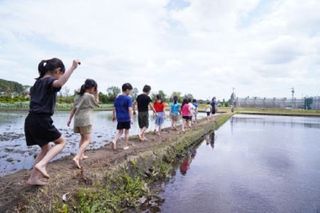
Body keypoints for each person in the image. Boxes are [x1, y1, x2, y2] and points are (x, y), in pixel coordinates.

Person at [24, 58, 80, 185]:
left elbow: (33, 96)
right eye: (61, 73)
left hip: (31, 119)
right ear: (58, 70)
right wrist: (73, 68)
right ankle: (42, 165)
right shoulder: (49, 80)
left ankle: (33, 178)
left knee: (45, 148)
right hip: (41, 118)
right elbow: (59, 83)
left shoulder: (37, 84)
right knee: (61, 142)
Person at [67, 79, 99, 169]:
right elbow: (97, 104)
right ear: (92, 87)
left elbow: (73, 108)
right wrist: (97, 95)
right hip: (85, 119)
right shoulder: (88, 96)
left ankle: (82, 155)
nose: (95, 90)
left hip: (77, 119)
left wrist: (69, 119)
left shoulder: (78, 96)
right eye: (95, 88)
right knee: (88, 140)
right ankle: (77, 157)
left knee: (82, 137)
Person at [112, 83, 133, 150]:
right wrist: (131, 118)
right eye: (130, 90)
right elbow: (130, 109)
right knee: (126, 132)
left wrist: (114, 116)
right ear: (127, 90)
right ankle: (125, 146)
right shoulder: (128, 98)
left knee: (120, 131)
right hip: (126, 118)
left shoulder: (117, 98)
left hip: (119, 118)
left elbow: (114, 108)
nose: (130, 92)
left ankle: (114, 140)